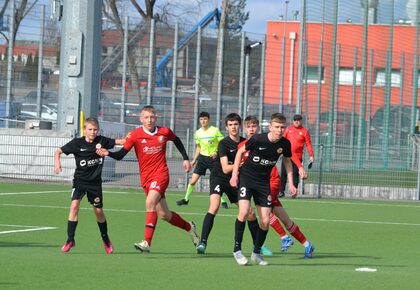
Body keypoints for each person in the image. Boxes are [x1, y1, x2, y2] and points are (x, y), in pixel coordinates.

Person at [97, 105, 200, 253]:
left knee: (149, 202)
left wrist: (185, 158)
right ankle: (190, 227)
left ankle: (147, 242)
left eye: (152, 117)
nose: (149, 120)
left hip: (161, 174)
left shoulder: (164, 132)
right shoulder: (135, 135)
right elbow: (121, 155)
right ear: (141, 119)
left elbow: (176, 140)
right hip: (146, 178)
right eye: (146, 117)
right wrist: (108, 153)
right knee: (164, 214)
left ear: (156, 118)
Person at [195, 113, 272, 255]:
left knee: (250, 213)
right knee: (215, 205)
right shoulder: (223, 143)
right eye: (230, 125)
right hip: (219, 178)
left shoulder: (246, 142)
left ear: (240, 125)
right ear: (226, 127)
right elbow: (225, 168)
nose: (233, 127)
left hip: (236, 181)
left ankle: (258, 246)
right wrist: (243, 164)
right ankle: (203, 242)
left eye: (235, 124)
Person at [240, 116, 313, 258]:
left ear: (260, 128)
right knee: (285, 219)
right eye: (248, 127)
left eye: (254, 126)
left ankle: (282, 238)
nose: (251, 129)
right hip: (257, 183)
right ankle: (307, 244)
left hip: (269, 183)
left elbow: (288, 157)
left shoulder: (268, 140)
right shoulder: (246, 144)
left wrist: (298, 170)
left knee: (264, 214)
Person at [230, 113, 297, 266]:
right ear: (270, 127)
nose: (280, 130)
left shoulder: (285, 144)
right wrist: (234, 175)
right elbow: (240, 152)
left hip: (263, 183)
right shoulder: (258, 139)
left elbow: (287, 161)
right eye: (277, 127)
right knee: (244, 211)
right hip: (247, 178)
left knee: (266, 220)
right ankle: (237, 250)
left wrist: (291, 183)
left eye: (282, 127)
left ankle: (256, 253)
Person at [54, 117, 125, 254]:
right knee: (74, 206)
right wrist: (57, 162)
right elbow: (58, 152)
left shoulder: (102, 141)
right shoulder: (76, 143)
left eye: (95, 130)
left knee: (98, 212)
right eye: (90, 129)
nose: (93, 132)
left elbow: (120, 142)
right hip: (80, 181)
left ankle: (105, 239)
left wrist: (133, 137)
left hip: (95, 184)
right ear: (84, 130)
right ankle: (70, 240)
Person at [176, 111, 229, 209]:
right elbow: (199, 147)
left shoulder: (215, 130)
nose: (203, 121)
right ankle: (186, 199)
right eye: (201, 119)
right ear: (199, 121)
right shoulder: (198, 133)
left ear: (208, 120)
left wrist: (217, 152)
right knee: (192, 181)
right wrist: (194, 160)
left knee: (216, 181)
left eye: (205, 119)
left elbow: (223, 144)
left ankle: (223, 200)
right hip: (202, 159)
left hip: (214, 159)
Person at [279, 114, 314, 197]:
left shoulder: (304, 131)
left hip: (298, 157)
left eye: (298, 120)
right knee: (284, 173)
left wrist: (311, 155)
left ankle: (293, 192)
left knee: (295, 174)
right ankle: (281, 191)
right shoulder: (288, 129)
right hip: (287, 156)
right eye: (295, 120)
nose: (297, 122)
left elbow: (308, 144)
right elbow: (282, 140)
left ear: (301, 121)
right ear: (293, 121)